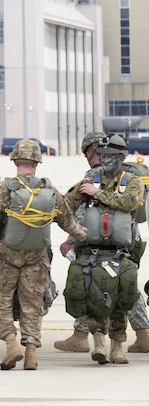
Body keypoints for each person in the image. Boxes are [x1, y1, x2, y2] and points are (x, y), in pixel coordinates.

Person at [0, 139, 86, 370]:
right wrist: (84, 236)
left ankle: (11, 344)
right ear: (37, 162)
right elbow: (72, 226)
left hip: (7, 256)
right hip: (37, 257)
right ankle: (31, 352)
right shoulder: (49, 191)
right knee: (32, 303)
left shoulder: (4, 189)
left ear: (14, 160)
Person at [56, 131, 149, 354]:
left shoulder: (100, 179)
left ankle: (81, 336)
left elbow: (83, 214)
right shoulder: (110, 177)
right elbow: (67, 204)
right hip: (124, 239)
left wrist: (72, 238)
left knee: (93, 284)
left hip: (109, 242)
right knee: (121, 284)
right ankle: (143, 334)